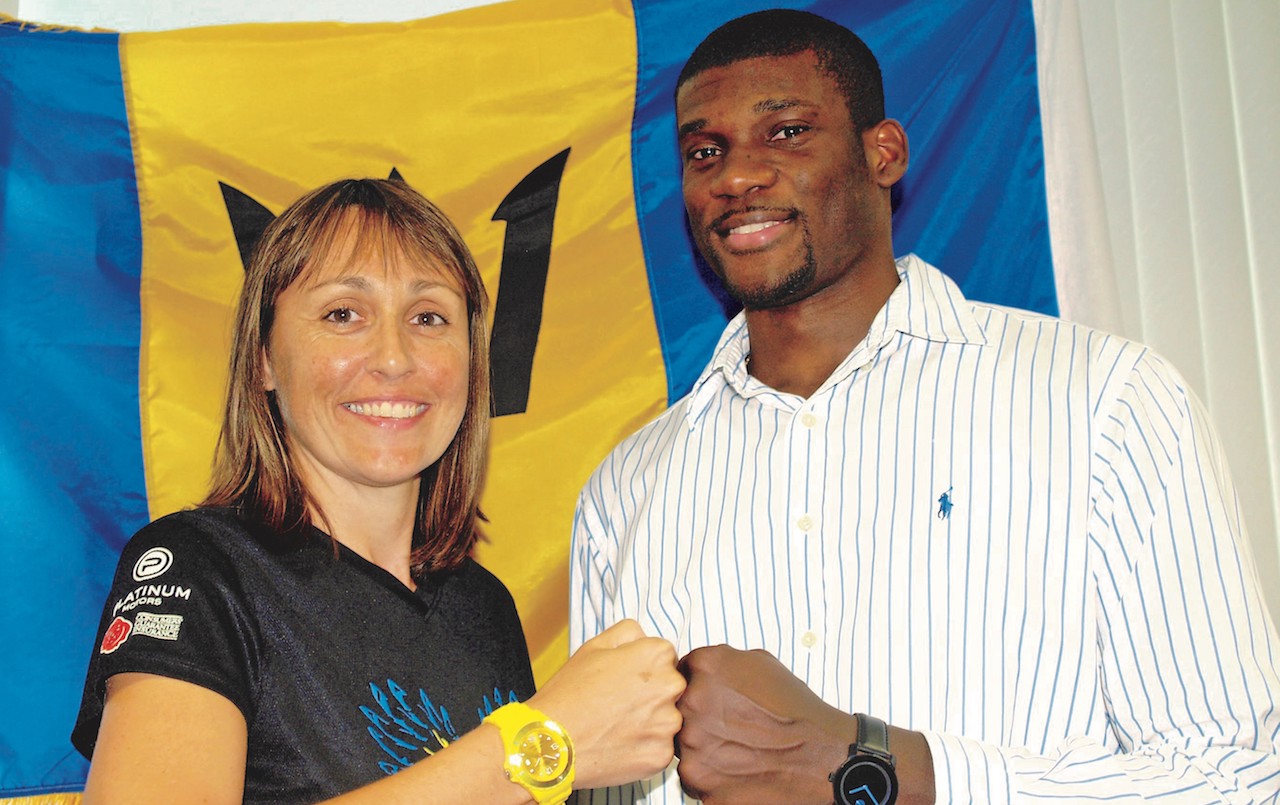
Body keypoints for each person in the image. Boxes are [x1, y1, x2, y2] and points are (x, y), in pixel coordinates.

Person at [570, 9, 1280, 804]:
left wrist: (874, 766)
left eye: (787, 133)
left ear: (884, 153)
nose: (736, 176)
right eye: (706, 151)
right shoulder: (624, 492)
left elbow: (1239, 779)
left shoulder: (1105, 403)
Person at [72, 178, 684, 804]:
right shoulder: (200, 569)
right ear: (263, 360)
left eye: (428, 318)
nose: (394, 358)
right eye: (343, 314)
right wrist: (539, 745)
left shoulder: (483, 608)